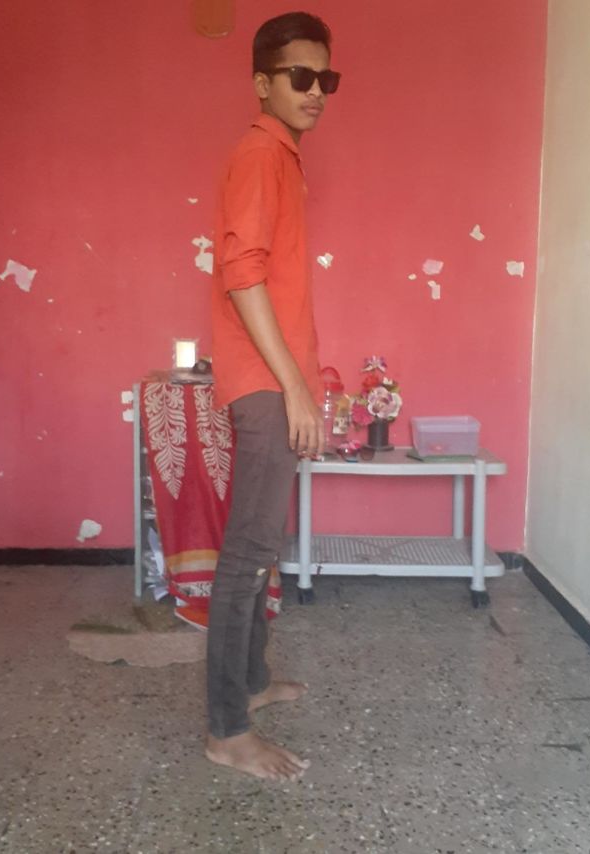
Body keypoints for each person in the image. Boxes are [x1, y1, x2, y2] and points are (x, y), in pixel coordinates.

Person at [207, 11, 341, 782]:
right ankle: (226, 730)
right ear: (263, 83)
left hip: (273, 380)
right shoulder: (261, 154)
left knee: (261, 547)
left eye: (326, 77)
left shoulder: (282, 157)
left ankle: (252, 683)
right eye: (300, 76)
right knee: (248, 555)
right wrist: (294, 388)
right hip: (263, 383)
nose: (316, 90)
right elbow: (242, 275)